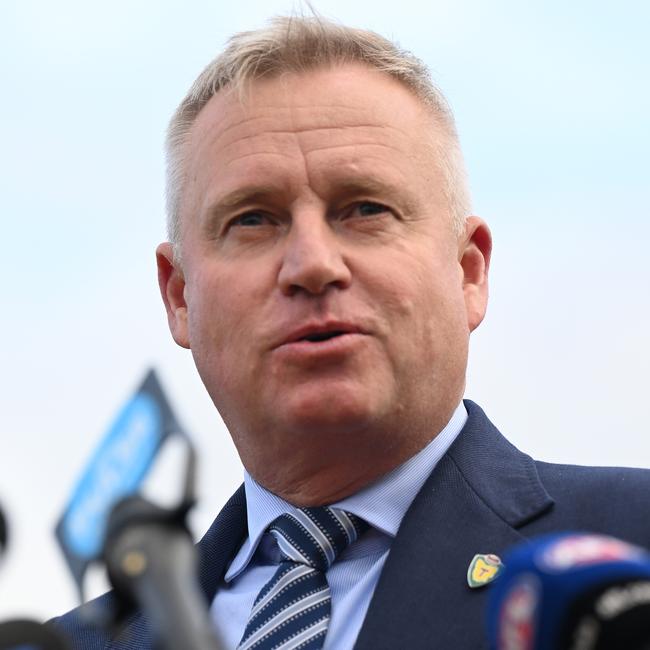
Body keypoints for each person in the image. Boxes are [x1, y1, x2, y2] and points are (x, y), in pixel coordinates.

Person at [54, 14, 650, 649]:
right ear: (179, 296)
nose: (312, 264)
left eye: (365, 209)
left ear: (468, 271)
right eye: (254, 220)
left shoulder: (630, 545)